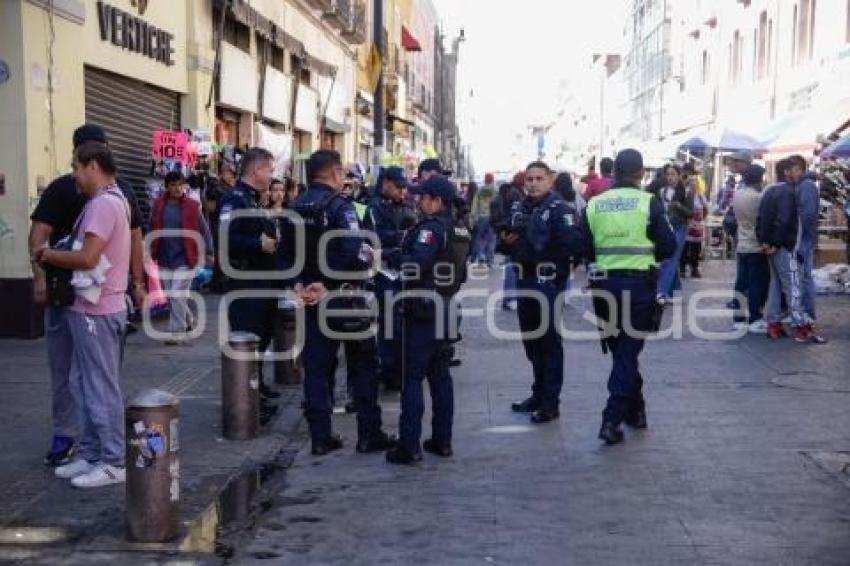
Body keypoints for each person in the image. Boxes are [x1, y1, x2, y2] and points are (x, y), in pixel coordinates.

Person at [28, 124, 145, 468]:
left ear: (92, 161)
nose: (74, 173)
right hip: (72, 299)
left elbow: (95, 253)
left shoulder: (107, 201)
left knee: (96, 380)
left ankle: (109, 457)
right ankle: (82, 445)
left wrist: (45, 258)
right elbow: (39, 232)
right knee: (78, 376)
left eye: (77, 165)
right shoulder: (77, 192)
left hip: (96, 304)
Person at [291, 150, 395, 456]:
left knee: (317, 367)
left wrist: (300, 284)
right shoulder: (340, 207)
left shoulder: (295, 207)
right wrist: (329, 283)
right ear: (335, 173)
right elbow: (351, 251)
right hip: (344, 296)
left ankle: (320, 437)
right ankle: (368, 433)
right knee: (363, 364)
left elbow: (287, 252)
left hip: (311, 298)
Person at [583, 149, 676, 445]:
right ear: (640, 173)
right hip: (639, 287)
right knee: (627, 353)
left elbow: (583, 247)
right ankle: (612, 419)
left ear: (614, 172)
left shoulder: (595, 204)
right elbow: (669, 245)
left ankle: (637, 412)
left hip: (604, 289)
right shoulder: (649, 202)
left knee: (622, 351)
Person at [383, 175, 463, 464]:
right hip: (446, 306)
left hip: (423, 310)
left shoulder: (431, 228)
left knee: (413, 378)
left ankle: (409, 446)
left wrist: (385, 260)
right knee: (441, 377)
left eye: (423, 197)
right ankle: (442, 441)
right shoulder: (458, 229)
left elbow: (415, 264)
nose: (418, 200)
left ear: (437, 201)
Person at [502, 161, 584, 424]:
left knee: (548, 344)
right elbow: (505, 234)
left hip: (548, 284)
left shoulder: (560, 209)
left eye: (539, 178)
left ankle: (550, 403)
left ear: (550, 180)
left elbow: (574, 245)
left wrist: (547, 250)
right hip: (524, 281)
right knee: (531, 342)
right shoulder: (520, 206)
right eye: (529, 179)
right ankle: (538, 395)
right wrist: (506, 240)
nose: (534, 183)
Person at [217, 148, 281, 422]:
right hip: (245, 283)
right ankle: (245, 399)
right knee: (247, 340)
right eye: (269, 170)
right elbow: (225, 238)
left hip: (262, 281)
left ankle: (255, 388)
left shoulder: (254, 200)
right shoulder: (234, 200)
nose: (272, 175)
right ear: (256, 171)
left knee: (262, 337)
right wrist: (258, 243)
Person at [362, 166, 416, 392]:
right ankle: (390, 370)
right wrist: (400, 237)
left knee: (401, 322)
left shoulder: (402, 205)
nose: (403, 192)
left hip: (401, 271)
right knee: (388, 324)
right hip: (382, 273)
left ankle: (399, 368)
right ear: (386, 184)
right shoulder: (369, 206)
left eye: (405, 188)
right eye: (399, 187)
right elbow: (370, 238)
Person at [150, 171, 214, 344]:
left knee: (177, 294)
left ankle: (176, 331)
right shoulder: (158, 205)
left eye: (180, 184)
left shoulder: (193, 206)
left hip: (186, 258)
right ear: (167, 187)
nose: (177, 188)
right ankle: (188, 320)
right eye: (173, 185)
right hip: (164, 256)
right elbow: (152, 227)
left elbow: (204, 229)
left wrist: (209, 251)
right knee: (172, 296)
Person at [757, 160, 812, 342]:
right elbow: (784, 220)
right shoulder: (788, 192)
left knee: (776, 285)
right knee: (792, 285)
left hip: (771, 246)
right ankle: (799, 325)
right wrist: (775, 242)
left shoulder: (769, 190)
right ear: (787, 172)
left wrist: (765, 241)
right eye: (796, 169)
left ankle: (773, 323)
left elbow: (762, 218)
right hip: (785, 247)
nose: (799, 173)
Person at [787, 154, 825, 342]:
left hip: (803, 242)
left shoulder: (806, 187)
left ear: (799, 169)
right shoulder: (803, 186)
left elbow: (807, 217)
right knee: (803, 280)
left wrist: (803, 244)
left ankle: (807, 317)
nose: (788, 173)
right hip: (803, 241)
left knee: (804, 280)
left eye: (791, 169)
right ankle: (804, 317)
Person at [731, 164, 770, 333]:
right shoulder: (758, 198)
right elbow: (762, 221)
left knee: (741, 283)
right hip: (755, 246)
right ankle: (755, 318)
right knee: (756, 284)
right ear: (758, 179)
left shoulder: (738, 195)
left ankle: (738, 319)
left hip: (742, 245)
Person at [653, 163, 694, 301]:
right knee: (671, 259)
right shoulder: (662, 191)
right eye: (668, 174)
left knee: (670, 259)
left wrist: (679, 206)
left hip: (680, 227)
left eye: (673, 174)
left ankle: (661, 292)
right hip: (666, 228)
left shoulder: (687, 191)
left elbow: (691, 212)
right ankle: (675, 292)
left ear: (679, 175)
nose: (670, 177)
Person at [491, 175, 526, 310]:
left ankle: (511, 297)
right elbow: (514, 215)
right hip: (513, 234)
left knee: (511, 265)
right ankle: (510, 298)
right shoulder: (516, 194)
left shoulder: (512, 192)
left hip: (509, 233)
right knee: (512, 266)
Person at [680, 173, 708, 278]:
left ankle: (694, 268)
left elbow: (706, 209)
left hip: (697, 227)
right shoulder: (685, 195)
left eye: (695, 181)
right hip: (687, 225)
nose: (693, 183)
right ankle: (682, 268)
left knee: (696, 249)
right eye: (691, 181)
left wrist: (701, 219)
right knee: (685, 247)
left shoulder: (701, 196)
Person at [470, 173, 498, 266]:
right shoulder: (496, 190)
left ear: (485, 180)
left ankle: (481, 255)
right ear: (492, 180)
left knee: (480, 237)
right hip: (492, 217)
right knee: (491, 238)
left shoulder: (480, 191)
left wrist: (473, 216)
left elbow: (475, 204)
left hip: (481, 217)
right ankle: (489, 259)